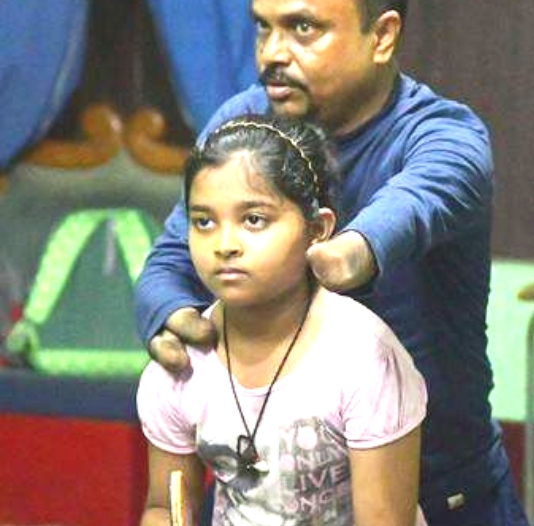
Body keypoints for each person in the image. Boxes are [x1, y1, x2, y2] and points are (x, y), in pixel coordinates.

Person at [135, 0, 530, 524]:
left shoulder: (443, 136)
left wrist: (348, 251)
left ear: (382, 36)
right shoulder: (242, 126)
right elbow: (167, 263)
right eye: (263, 27)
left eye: (303, 29)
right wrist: (173, 319)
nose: (272, 52)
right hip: (266, 495)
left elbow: (419, 200)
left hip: (437, 494)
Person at [136, 114, 427, 526]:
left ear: (317, 229)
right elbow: (166, 508)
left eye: (254, 219)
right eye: (203, 222)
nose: (224, 245)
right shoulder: (179, 367)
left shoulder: (363, 357)